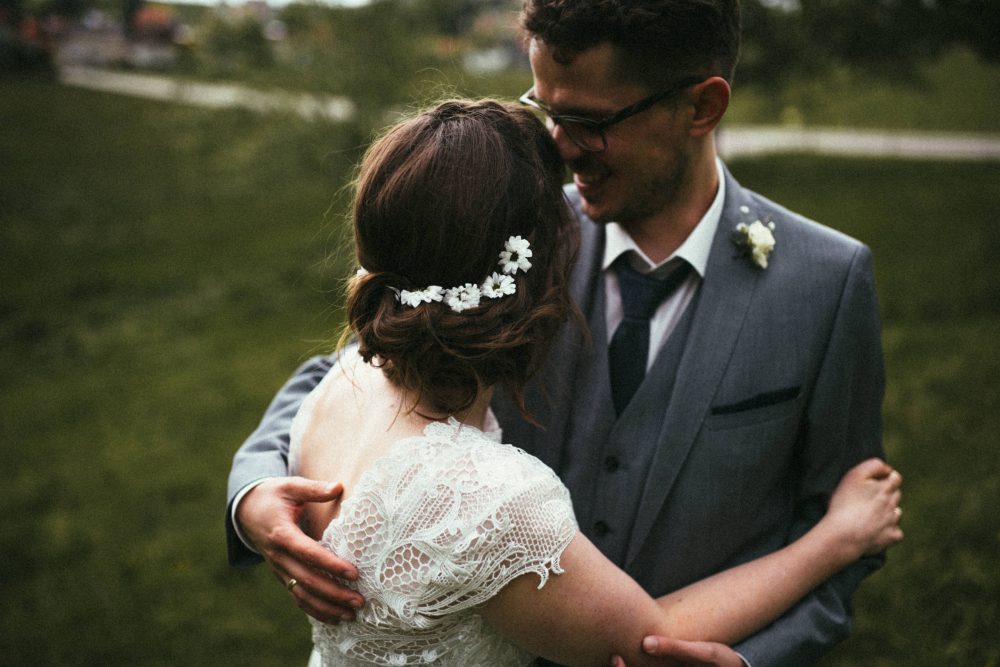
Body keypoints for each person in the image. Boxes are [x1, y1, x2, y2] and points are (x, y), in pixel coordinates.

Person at [227, 2, 892, 665]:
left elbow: (839, 515)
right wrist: (252, 496)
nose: (560, 145)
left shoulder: (826, 284)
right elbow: (358, 367)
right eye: (546, 109)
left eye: (589, 121)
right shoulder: (514, 238)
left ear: (702, 107)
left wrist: (751, 660)